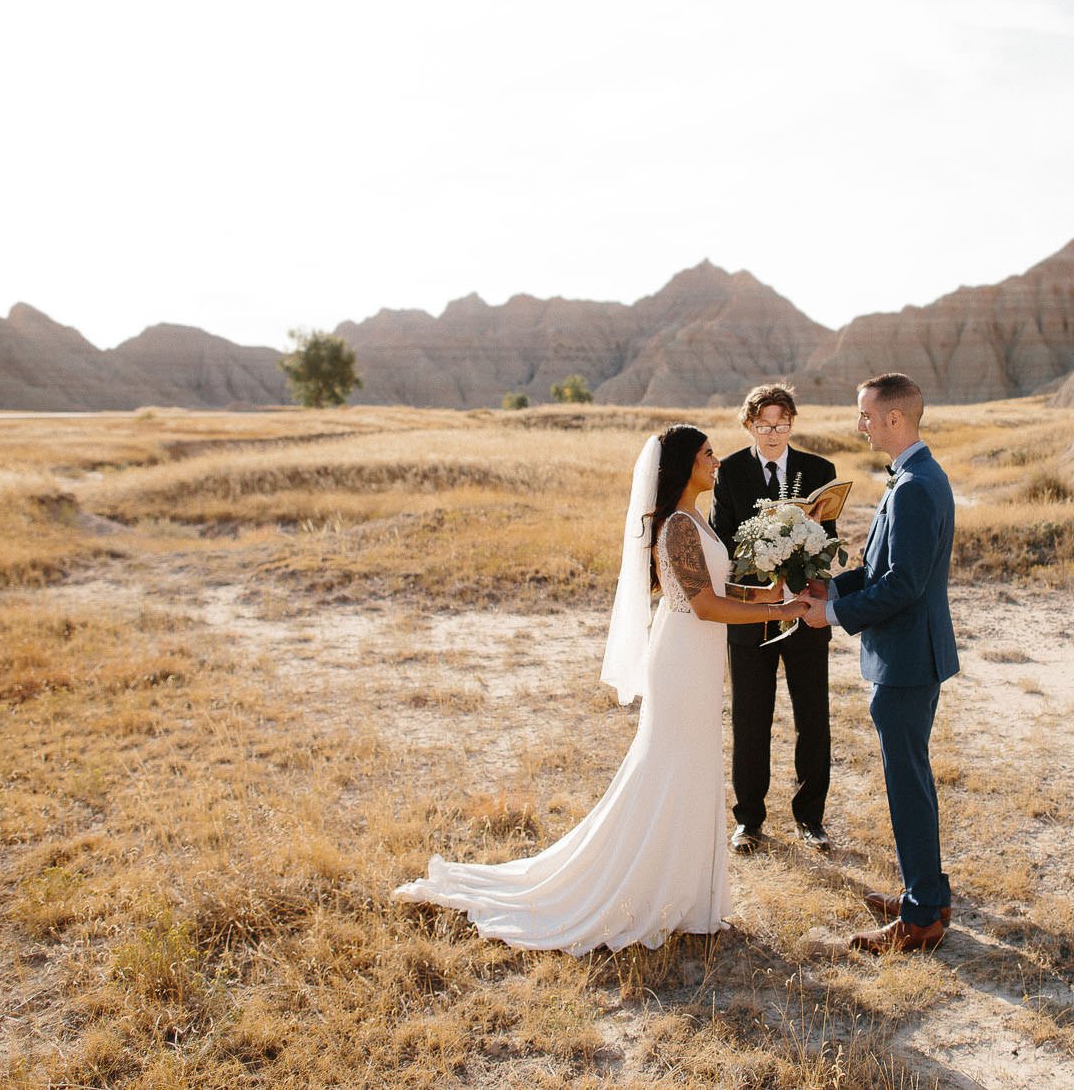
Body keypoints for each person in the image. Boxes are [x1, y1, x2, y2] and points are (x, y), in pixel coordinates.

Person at [392, 425, 807, 954]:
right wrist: (778, 611)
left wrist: (770, 588)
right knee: (672, 764)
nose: (717, 460)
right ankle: (648, 889)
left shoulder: (696, 519)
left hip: (699, 658)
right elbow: (703, 606)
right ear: (683, 465)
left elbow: (719, 588)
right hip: (682, 659)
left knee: (695, 764)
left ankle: (688, 894)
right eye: (707, 454)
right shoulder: (677, 526)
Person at [798, 373, 958, 953]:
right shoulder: (914, 477)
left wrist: (832, 619)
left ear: (895, 418)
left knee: (906, 783)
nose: (860, 424)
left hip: (908, 659)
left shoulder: (915, 486)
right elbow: (877, 570)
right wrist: (828, 590)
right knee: (911, 776)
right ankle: (929, 894)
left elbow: (904, 585)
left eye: (866, 415)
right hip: (910, 655)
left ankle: (919, 920)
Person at [711, 383, 838, 855]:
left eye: (782, 424)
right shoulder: (729, 472)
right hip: (749, 617)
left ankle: (811, 820)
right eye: (764, 425)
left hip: (804, 612)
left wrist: (810, 579)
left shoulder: (819, 470)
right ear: (749, 425)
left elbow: (828, 539)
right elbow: (723, 539)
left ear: (792, 424)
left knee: (813, 718)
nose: (773, 433)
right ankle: (749, 821)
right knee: (750, 719)